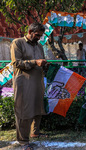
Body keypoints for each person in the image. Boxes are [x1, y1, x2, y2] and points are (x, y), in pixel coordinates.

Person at [10, 22, 48, 150]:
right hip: (24, 82)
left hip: (38, 81)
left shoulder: (39, 46)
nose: (39, 38)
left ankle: (35, 132)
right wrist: (35, 62)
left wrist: (45, 64)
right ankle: (23, 141)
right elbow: (16, 62)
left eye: (41, 36)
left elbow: (40, 62)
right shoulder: (18, 43)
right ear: (30, 32)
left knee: (38, 107)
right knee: (23, 110)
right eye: (37, 35)